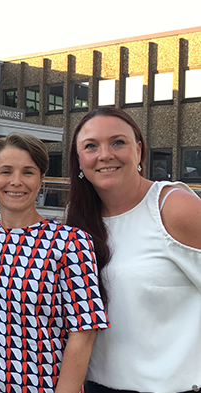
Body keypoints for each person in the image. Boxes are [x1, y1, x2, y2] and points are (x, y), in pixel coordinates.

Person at [65, 107, 201, 393]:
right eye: (91, 146)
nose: (105, 154)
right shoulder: (76, 219)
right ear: (79, 161)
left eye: (118, 142)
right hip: (96, 385)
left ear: (139, 150)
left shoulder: (173, 207)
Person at [0, 133, 109, 393]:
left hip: (42, 385)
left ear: (41, 180)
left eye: (28, 172)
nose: (16, 182)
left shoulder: (69, 242)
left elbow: (84, 331)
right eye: (5, 171)